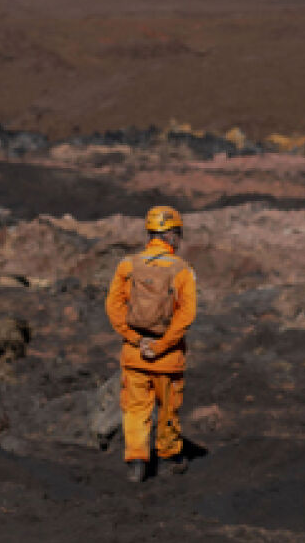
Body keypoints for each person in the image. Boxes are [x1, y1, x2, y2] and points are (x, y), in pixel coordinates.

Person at [105, 205, 197, 483]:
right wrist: (161, 346)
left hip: (134, 355)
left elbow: (113, 307)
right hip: (167, 359)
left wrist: (135, 339)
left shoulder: (127, 265)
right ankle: (170, 455)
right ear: (172, 235)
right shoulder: (182, 270)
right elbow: (186, 315)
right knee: (168, 407)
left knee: (135, 408)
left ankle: (136, 459)